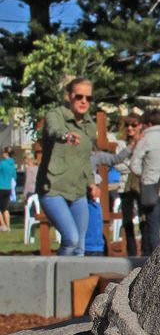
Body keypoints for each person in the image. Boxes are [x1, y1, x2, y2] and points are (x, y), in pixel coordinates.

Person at [37, 78, 95, 256]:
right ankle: (59, 282)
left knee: (80, 247)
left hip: (78, 191)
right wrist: (66, 136)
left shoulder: (90, 126)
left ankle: (75, 284)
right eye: (79, 96)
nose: (84, 101)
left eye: (88, 98)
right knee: (71, 239)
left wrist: (92, 184)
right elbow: (54, 130)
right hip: (53, 189)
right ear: (69, 96)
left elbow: (86, 159)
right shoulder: (56, 115)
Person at [130, 110, 160, 256]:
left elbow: (134, 164)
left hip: (152, 187)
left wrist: (144, 175)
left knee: (153, 227)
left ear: (148, 123)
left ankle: (156, 258)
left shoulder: (146, 139)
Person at [113, 115, 145, 257]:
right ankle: (131, 251)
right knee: (127, 219)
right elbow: (118, 164)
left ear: (139, 126)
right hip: (124, 185)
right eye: (127, 125)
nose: (130, 128)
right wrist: (130, 151)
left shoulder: (145, 141)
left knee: (144, 218)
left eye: (133, 125)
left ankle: (146, 249)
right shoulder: (121, 144)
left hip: (141, 184)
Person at [0, 147, 16, 232]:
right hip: (8, 188)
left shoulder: (2, 164)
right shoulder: (12, 164)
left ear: (6, 153)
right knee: (5, 208)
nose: (2, 154)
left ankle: (3, 225)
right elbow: (14, 177)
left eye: (3, 152)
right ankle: (8, 226)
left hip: (0, 187)